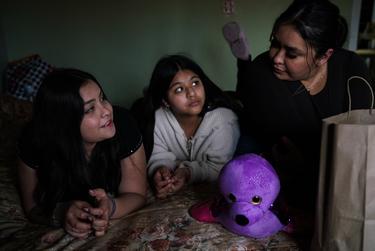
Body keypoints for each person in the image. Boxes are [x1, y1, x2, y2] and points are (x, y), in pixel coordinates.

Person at [223, 0, 373, 211]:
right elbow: (291, 154)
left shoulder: (351, 69)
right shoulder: (261, 75)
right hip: (288, 171)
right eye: (274, 43)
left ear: (325, 56)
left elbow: (360, 143)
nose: (276, 57)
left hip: (340, 174)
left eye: (291, 54)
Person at [17, 68, 148, 239]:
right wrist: (61, 212)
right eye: (90, 109)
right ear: (65, 124)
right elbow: (32, 207)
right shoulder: (33, 140)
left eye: (102, 98)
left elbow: (137, 194)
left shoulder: (122, 123)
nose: (107, 111)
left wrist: (110, 207)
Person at [139, 54, 240, 199]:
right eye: (179, 89)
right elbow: (158, 155)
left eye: (195, 83)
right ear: (165, 101)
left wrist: (187, 173)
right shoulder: (158, 120)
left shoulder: (223, 120)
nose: (192, 93)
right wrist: (161, 170)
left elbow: (219, 167)